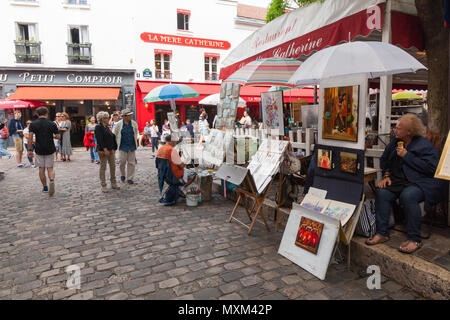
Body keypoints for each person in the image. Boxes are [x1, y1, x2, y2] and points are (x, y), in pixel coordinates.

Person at [365, 114, 445, 254]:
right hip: (399, 180)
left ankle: (415, 238)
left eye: (398, 128)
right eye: (395, 127)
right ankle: (382, 233)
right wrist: (386, 176)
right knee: (382, 192)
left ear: (409, 132)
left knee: (408, 196)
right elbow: (385, 161)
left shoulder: (423, 145)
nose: (395, 130)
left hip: (420, 181)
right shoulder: (395, 143)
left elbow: (431, 168)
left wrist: (407, 156)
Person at [27, 107, 60, 196]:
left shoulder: (33, 124)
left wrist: (29, 149)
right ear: (47, 113)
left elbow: (30, 138)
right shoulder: (52, 124)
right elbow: (58, 136)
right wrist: (51, 136)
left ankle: (45, 187)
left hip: (39, 149)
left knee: (41, 169)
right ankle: (52, 181)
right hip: (50, 148)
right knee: (50, 168)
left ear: (37, 114)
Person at [95, 111, 120, 193]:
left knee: (113, 166)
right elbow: (100, 139)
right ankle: (103, 185)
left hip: (111, 150)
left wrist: (114, 148)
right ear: (102, 119)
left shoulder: (107, 127)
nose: (108, 119)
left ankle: (113, 183)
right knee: (103, 167)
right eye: (107, 117)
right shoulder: (98, 127)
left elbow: (111, 138)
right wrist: (105, 149)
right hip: (103, 150)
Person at [113, 108, 138, 184]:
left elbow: (136, 133)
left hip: (132, 145)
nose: (131, 116)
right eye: (129, 115)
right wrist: (114, 146)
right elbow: (114, 135)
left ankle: (130, 178)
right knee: (122, 162)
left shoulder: (134, 123)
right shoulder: (118, 125)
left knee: (131, 163)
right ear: (124, 116)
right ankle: (122, 174)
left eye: (131, 115)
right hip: (122, 146)